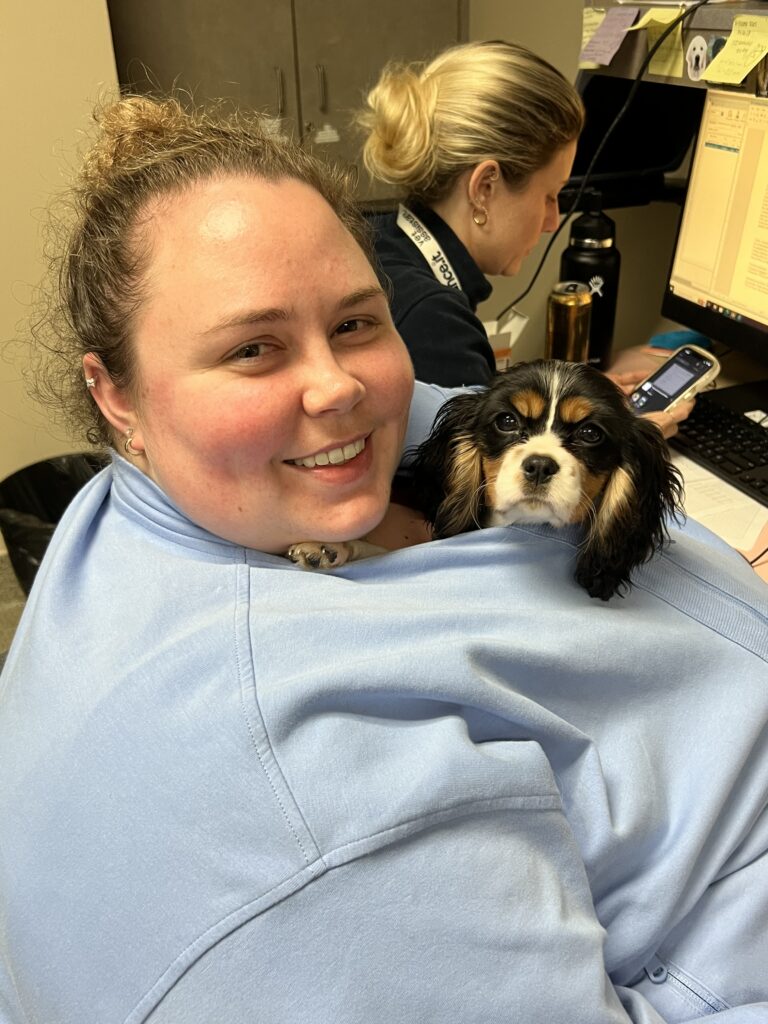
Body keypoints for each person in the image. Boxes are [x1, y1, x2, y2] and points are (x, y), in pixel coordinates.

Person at [0, 95, 766, 1024]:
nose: (339, 386)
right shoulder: (311, 814)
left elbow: (463, 413)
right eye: (253, 348)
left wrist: (713, 582)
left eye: (359, 323)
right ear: (113, 393)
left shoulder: (197, 485)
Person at [359, 41, 693, 438]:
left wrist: (577, 403)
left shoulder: (381, 241)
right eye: (549, 195)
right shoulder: (436, 326)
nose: (553, 221)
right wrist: (631, 437)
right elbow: (490, 494)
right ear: (484, 187)